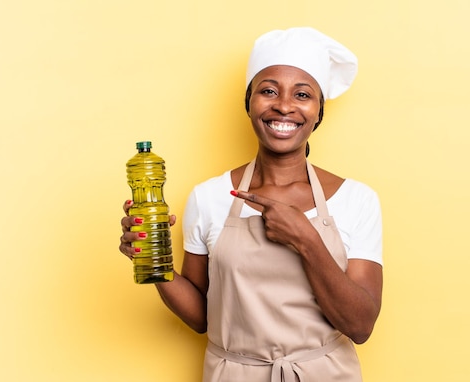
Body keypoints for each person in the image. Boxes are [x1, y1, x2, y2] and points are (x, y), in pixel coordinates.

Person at [119, 27, 383, 382]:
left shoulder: (356, 199)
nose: (284, 106)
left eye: (302, 94)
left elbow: (361, 326)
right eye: (268, 91)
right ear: (249, 103)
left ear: (318, 112)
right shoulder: (208, 197)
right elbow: (202, 317)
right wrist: (153, 261)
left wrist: (305, 239)